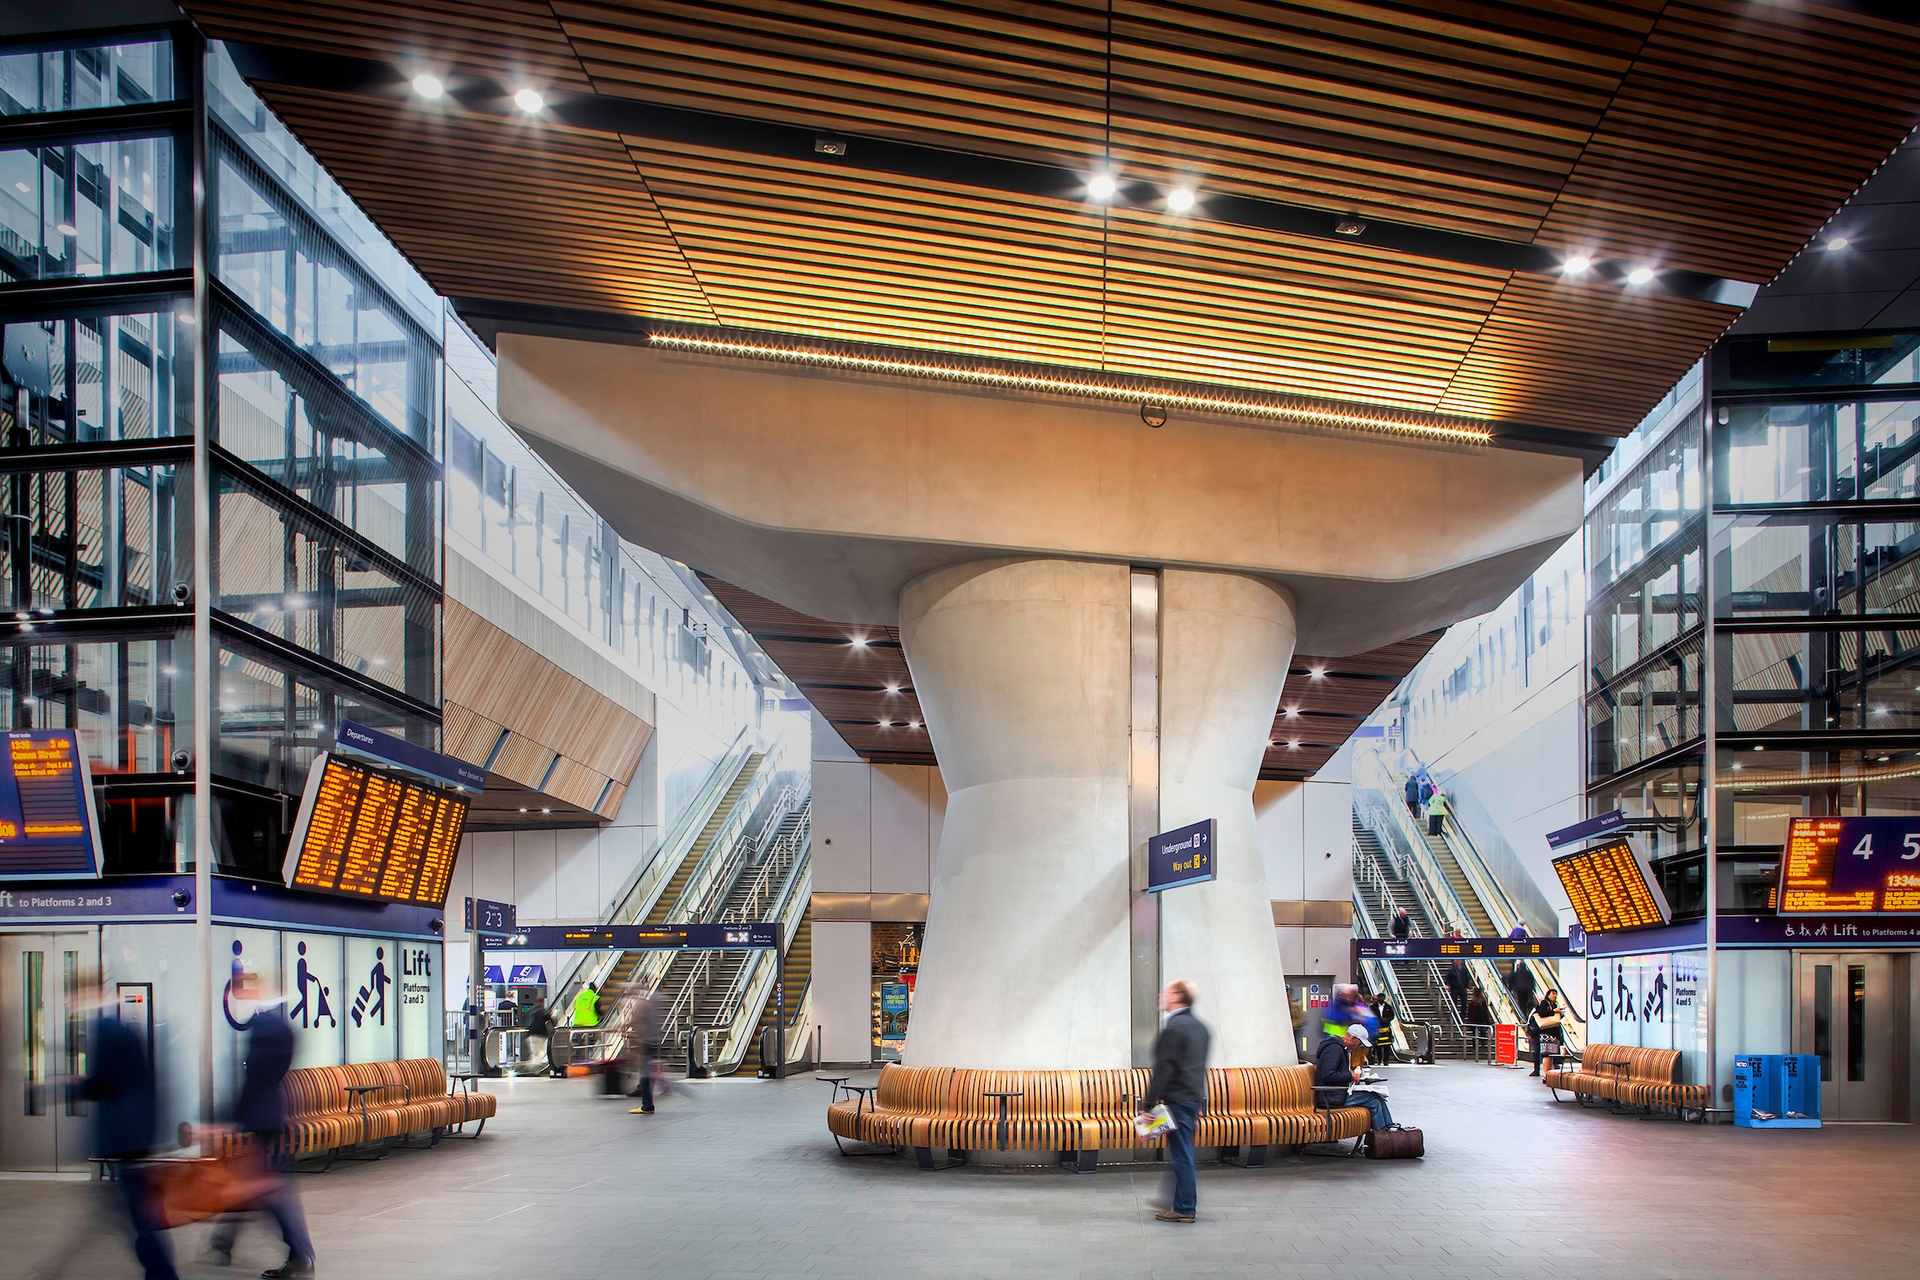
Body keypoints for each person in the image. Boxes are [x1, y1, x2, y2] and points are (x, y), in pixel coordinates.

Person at [206, 997, 315, 1278]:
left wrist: (232, 1119)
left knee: (264, 1188)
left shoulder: (265, 1027)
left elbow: (255, 1076)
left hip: (262, 1118)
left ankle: (300, 1254)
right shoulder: (278, 1026)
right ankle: (223, 1241)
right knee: (251, 1182)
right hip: (269, 1115)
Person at [80, 999, 177, 1280]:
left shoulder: (106, 1031)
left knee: (139, 1216)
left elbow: (103, 1084)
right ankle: (160, 1273)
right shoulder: (124, 1032)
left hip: (125, 1140)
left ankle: (162, 1275)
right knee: (138, 1213)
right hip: (135, 1138)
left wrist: (74, 1084)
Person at [1138, 979, 1209, 1224]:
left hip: (1177, 1099)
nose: (1162, 996)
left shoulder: (1173, 1028)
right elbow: (1198, 1067)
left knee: (1181, 1154)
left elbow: (1163, 1070)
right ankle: (1177, 1199)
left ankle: (1185, 1207)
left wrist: (1147, 1105)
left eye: (1167, 993)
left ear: (1178, 997)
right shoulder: (1201, 1027)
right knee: (1183, 1151)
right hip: (1191, 1097)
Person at [1315, 1022, 1393, 1130]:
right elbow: (1328, 1075)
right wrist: (1350, 1075)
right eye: (1359, 1043)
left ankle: (1387, 1133)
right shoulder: (1334, 1049)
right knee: (1373, 1098)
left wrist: (1351, 1076)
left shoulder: (1338, 1049)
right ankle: (1384, 1137)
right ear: (1353, 1038)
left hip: (1334, 1094)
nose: (1359, 1047)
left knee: (1376, 1099)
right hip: (1330, 1098)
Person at [1529, 990, 1564, 1077]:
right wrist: (1554, 1011)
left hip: (1553, 1033)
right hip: (1546, 1033)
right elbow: (1541, 1013)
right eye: (1553, 993)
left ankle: (1549, 1074)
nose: (1555, 995)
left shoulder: (1555, 1005)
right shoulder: (1545, 1003)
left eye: (1556, 994)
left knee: (1551, 1055)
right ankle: (1546, 1075)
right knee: (1547, 1055)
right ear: (1548, 994)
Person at [525, 1000, 557, 1075]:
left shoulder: (531, 1011)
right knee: (539, 1054)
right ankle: (532, 1070)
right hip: (540, 1035)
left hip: (530, 1035)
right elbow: (551, 1021)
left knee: (535, 1053)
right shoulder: (543, 1012)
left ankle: (529, 1069)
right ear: (541, 1003)